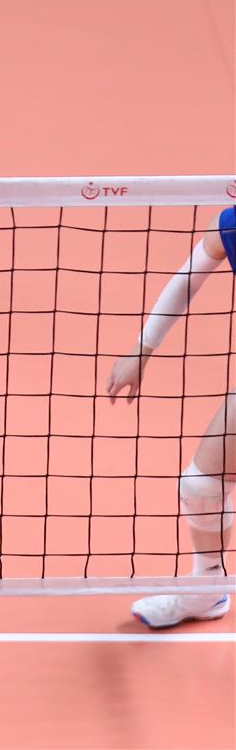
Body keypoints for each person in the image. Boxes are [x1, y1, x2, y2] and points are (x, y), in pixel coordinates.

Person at [106, 206, 236, 629]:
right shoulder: (232, 224)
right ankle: (207, 588)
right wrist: (141, 350)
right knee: (202, 485)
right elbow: (187, 279)